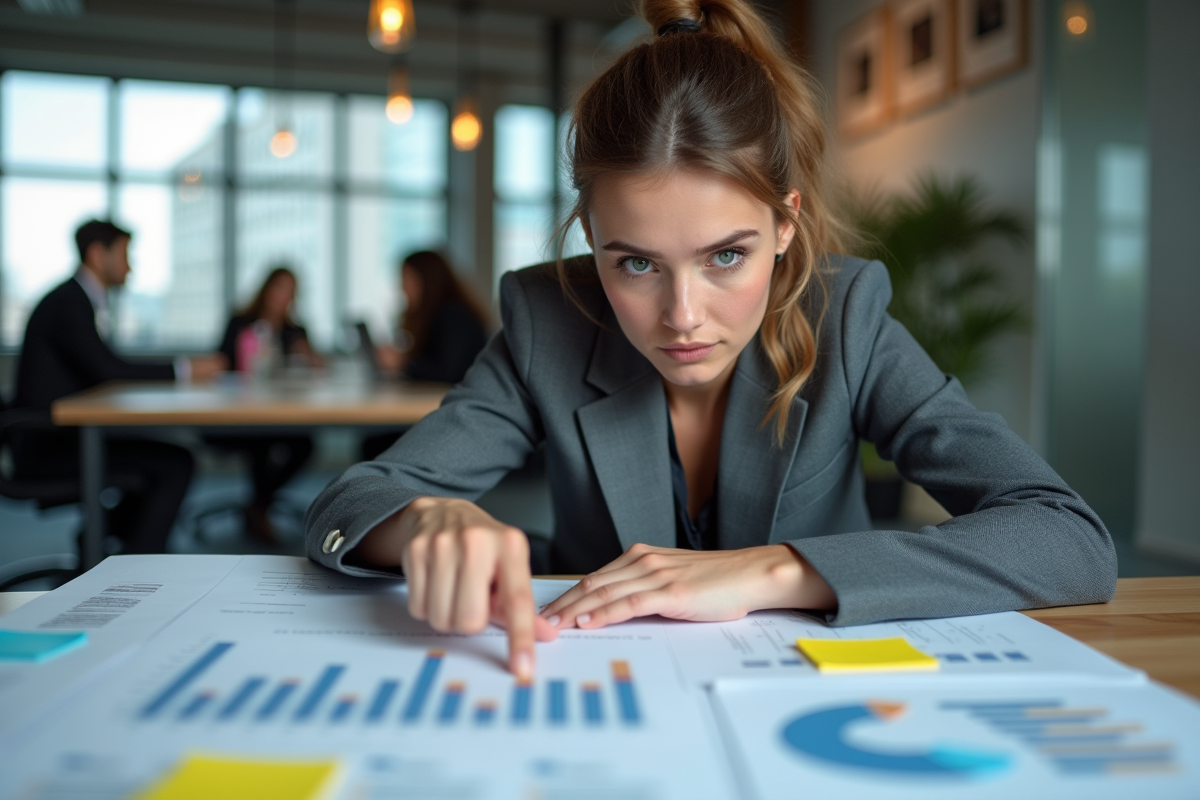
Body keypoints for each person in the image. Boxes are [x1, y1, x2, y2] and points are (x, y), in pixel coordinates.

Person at [305, 0, 1116, 681]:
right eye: (635, 264)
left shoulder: (848, 319)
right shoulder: (547, 319)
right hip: (609, 694)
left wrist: (773, 570)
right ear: (592, 236)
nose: (683, 315)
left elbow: (1067, 537)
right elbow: (347, 504)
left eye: (727, 255)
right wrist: (425, 521)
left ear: (785, 225)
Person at [13, 219, 226, 553]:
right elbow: (107, 370)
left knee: (167, 459)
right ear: (99, 255)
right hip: (49, 445)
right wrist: (184, 369)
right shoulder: (68, 303)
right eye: (125, 254)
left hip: (61, 435)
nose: (131, 265)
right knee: (175, 463)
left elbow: (100, 369)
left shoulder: (77, 300)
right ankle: (137, 569)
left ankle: (108, 542)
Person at [211, 266, 320, 542]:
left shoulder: (295, 331)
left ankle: (258, 503)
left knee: (304, 444)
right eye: (280, 289)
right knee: (260, 440)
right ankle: (258, 508)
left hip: (281, 411)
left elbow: (313, 370)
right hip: (237, 411)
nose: (284, 298)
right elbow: (220, 364)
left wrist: (308, 357)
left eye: (290, 292)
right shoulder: (241, 323)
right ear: (267, 289)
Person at [362, 250, 490, 461]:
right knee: (373, 443)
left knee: (374, 445)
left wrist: (402, 363)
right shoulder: (439, 314)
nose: (402, 287)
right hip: (448, 410)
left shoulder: (453, 315)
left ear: (426, 280)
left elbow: (448, 371)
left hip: (460, 419)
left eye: (407, 279)